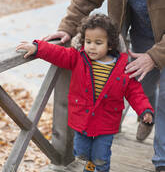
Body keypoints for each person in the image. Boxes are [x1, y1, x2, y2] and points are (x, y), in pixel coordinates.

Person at [43, 0, 165, 172]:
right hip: (142, 34)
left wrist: (156, 55)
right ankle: (147, 114)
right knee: (144, 87)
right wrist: (67, 28)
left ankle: (161, 161)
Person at [16, 13, 154, 172]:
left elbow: (135, 92)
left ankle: (100, 168)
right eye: (88, 42)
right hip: (82, 118)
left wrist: (144, 110)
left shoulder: (123, 68)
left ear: (110, 45)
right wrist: (37, 48)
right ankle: (89, 166)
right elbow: (57, 53)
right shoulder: (78, 58)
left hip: (107, 122)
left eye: (98, 42)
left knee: (101, 156)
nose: (91, 47)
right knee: (81, 152)